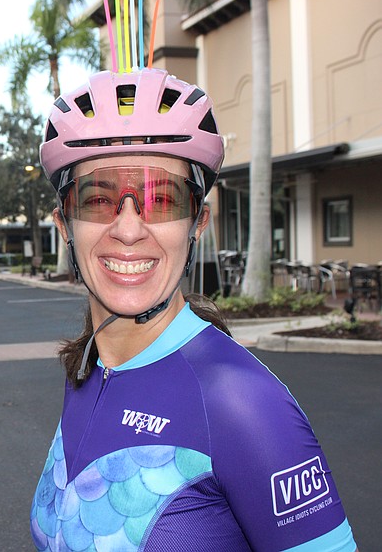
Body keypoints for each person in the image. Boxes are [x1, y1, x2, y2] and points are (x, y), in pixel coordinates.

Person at [29, 67, 358, 551]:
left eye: (161, 199)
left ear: (197, 222)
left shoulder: (244, 403)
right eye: (98, 199)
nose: (128, 228)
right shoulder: (87, 369)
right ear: (64, 224)